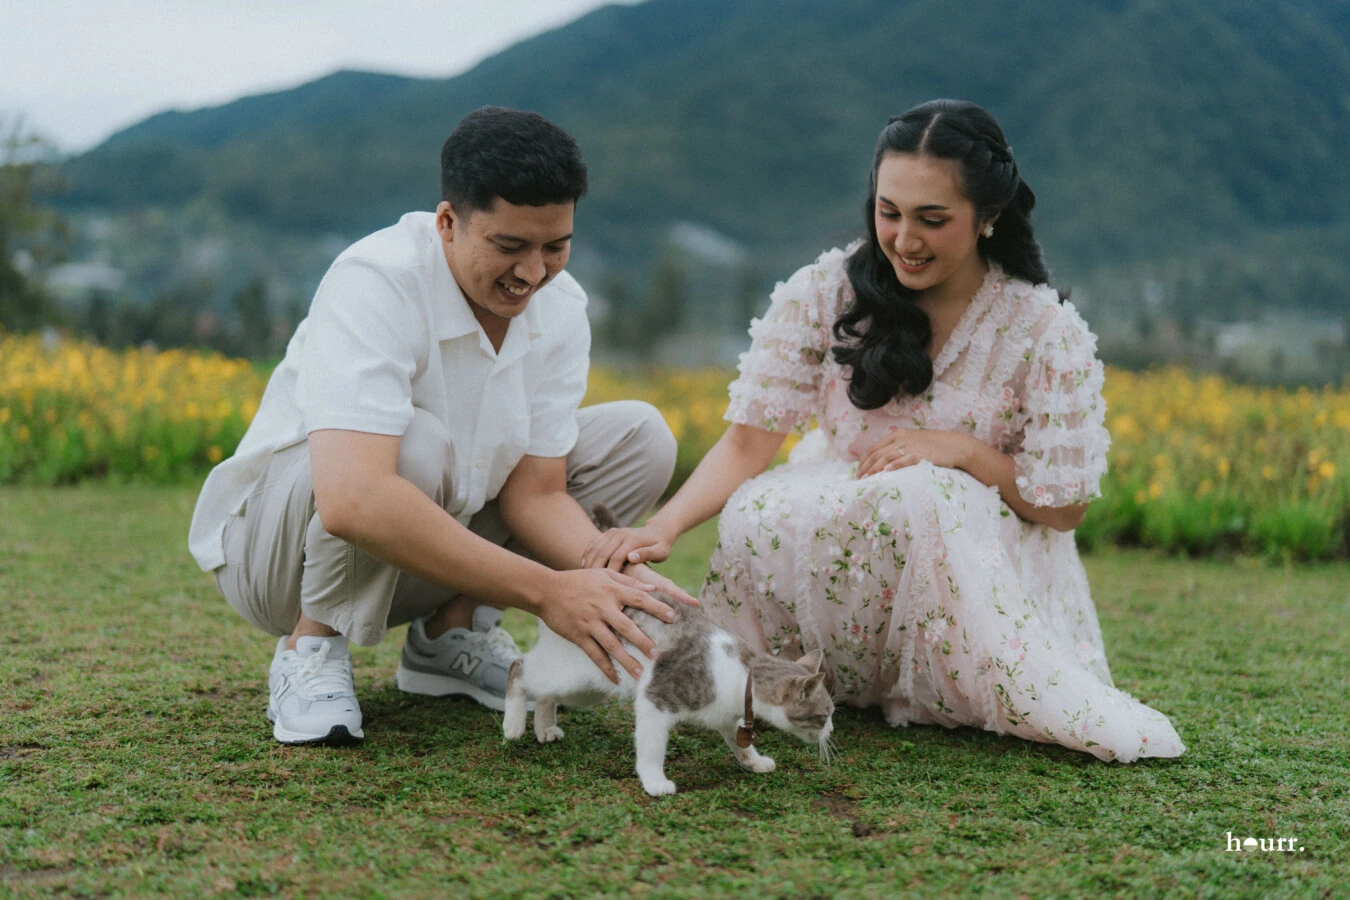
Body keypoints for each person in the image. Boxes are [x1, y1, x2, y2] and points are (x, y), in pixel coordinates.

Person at [583, 100, 1184, 762]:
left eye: (933, 219)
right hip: (847, 520)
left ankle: (935, 679)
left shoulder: (1043, 329)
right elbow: (750, 442)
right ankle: (824, 669)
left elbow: (1064, 509)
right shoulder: (824, 291)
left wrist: (962, 452)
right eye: (889, 212)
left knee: (926, 491)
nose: (904, 239)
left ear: (987, 216)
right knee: (755, 507)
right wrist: (664, 527)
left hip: (978, 545)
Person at [189, 107, 691, 746]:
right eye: (509, 247)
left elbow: (536, 495)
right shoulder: (377, 280)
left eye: (554, 247)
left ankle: (450, 637)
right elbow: (352, 499)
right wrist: (550, 592)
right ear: (448, 223)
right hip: (278, 561)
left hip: (414, 562)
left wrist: (624, 584)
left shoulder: (560, 309)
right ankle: (310, 648)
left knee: (640, 437)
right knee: (412, 443)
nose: (533, 273)